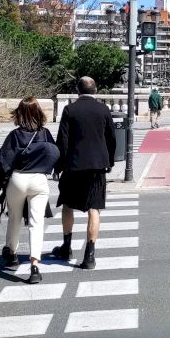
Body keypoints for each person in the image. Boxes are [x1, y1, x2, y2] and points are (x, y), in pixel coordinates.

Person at [50, 77, 118, 270]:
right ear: (95, 90)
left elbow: (63, 141)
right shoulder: (103, 110)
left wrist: (58, 166)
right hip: (97, 166)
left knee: (67, 205)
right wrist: (109, 161)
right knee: (94, 209)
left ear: (77, 90)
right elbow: (111, 138)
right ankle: (89, 255)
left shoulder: (70, 110)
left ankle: (66, 246)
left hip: (74, 165)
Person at [0, 96, 59, 284]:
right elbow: (54, 153)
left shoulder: (15, 135)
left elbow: (3, 160)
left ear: (20, 113)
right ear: (38, 112)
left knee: (15, 217)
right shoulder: (45, 133)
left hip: (18, 179)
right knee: (37, 223)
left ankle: (11, 252)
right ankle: (34, 266)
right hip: (39, 180)